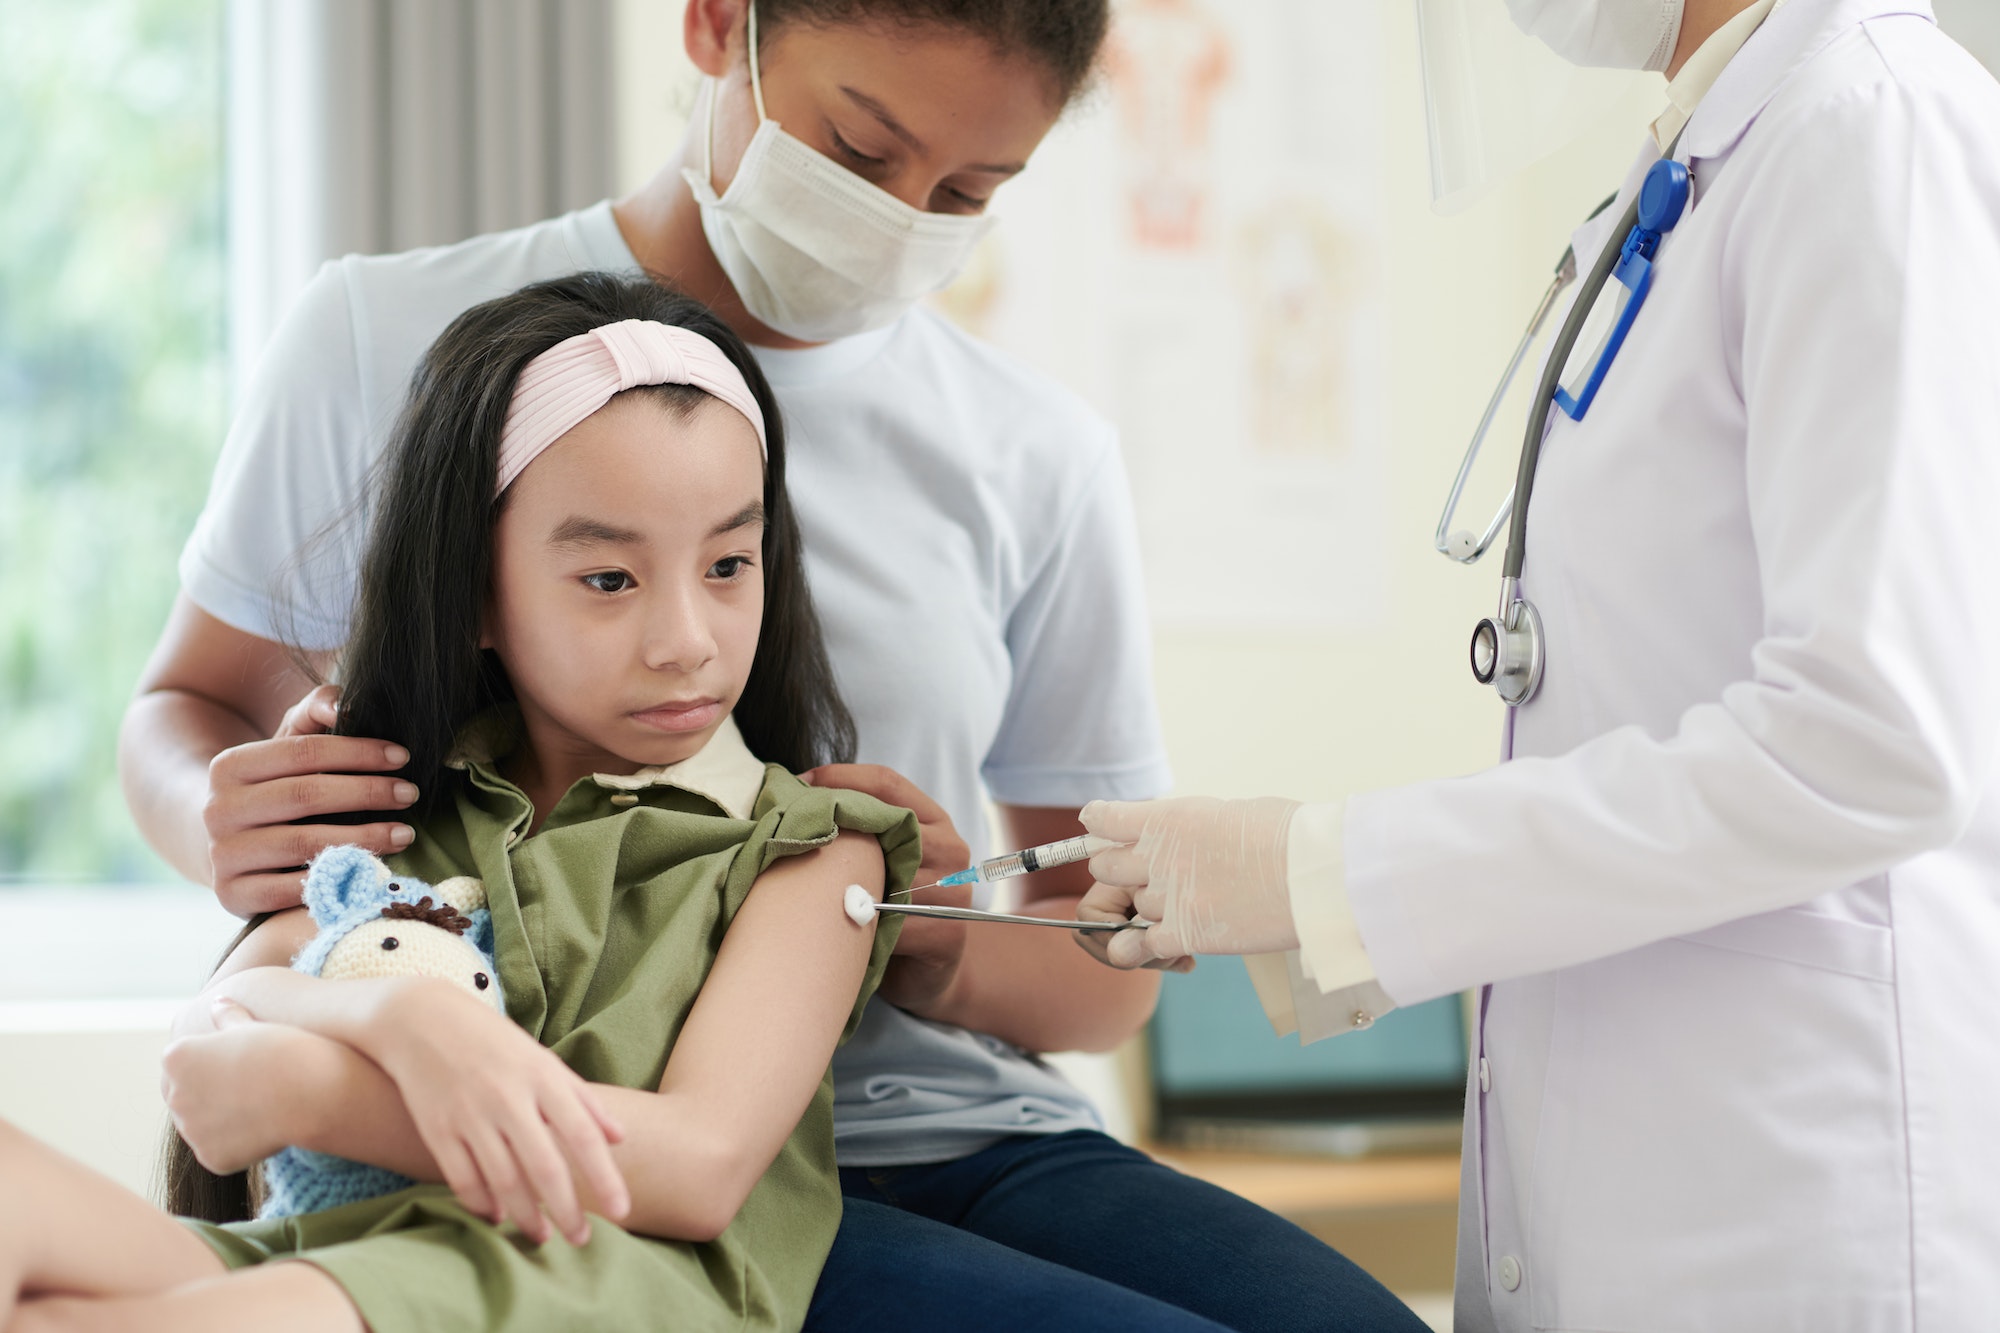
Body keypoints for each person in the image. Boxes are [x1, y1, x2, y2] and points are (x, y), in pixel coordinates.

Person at [116, 1, 1422, 1328]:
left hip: (960, 1121)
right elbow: (191, 713)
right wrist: (221, 810)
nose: (906, 215)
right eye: (861, 151)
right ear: (716, 24)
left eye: (973, 189)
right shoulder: (382, 334)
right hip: (598, 1115)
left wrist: (932, 942)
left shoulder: (1037, 454)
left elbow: (1101, 967)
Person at [1077, 0, 2000, 1329]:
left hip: (1799, 1197)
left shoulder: (1870, 125)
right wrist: (1310, 910)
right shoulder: (1705, 164)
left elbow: (1873, 741)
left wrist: (1321, 869)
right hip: (1649, 1177)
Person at [6, 272, 929, 1331]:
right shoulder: (398, 805)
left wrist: (327, 1094)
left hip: (594, 1284)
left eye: (728, 562)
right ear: (476, 596)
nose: (688, 638)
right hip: (338, 1254)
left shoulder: (813, 853)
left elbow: (699, 1165)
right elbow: (214, 1045)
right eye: (610, 581)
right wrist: (405, 1018)